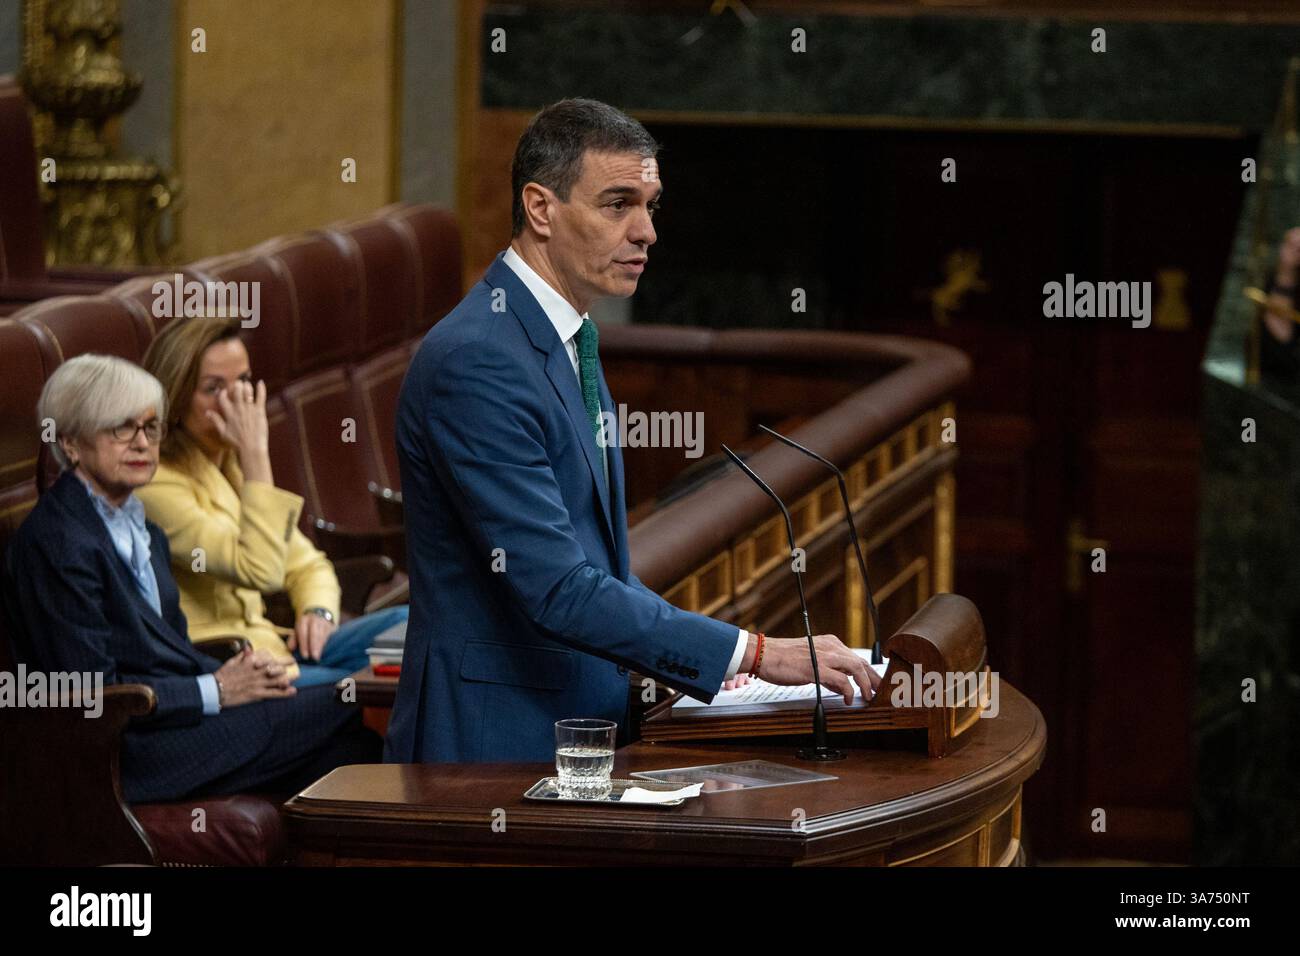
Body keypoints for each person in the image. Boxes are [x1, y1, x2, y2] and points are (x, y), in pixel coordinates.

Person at [386, 98, 881, 764]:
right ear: (540, 209)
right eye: (618, 204)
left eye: (651, 205)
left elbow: (598, 568)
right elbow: (558, 588)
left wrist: (705, 658)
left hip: (572, 730)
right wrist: (756, 654)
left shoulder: (572, 338)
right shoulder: (477, 360)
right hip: (491, 749)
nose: (646, 231)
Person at [1, 354, 379, 803]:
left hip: (170, 723)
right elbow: (92, 695)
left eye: (151, 427)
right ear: (71, 442)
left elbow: (171, 652)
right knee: (348, 702)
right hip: (124, 754)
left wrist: (241, 673)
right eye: (121, 428)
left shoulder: (143, 528)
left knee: (351, 751)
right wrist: (217, 688)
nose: (142, 443)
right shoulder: (58, 542)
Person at [137, 317, 407, 688]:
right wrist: (255, 453)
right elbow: (260, 569)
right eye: (214, 388)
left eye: (244, 382)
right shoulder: (155, 484)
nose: (237, 401)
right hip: (232, 669)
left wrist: (319, 610)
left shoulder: (227, 464)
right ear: (176, 399)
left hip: (281, 647)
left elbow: (308, 564)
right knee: (370, 682)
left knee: (411, 627)